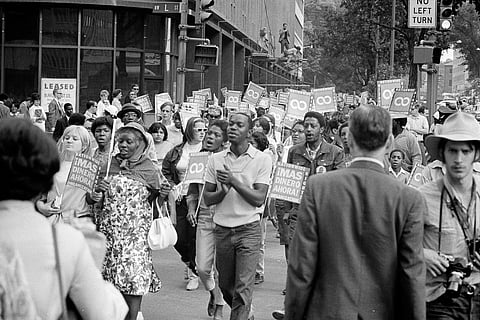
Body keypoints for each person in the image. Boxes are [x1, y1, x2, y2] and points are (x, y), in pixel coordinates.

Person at [284, 105, 426, 320]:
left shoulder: (318, 188)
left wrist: (293, 315)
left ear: (348, 140)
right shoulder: (408, 198)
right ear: (389, 142)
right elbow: (412, 274)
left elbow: (302, 265)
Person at [0, 118, 128, 320]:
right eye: (67, 138)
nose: (69, 141)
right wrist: (92, 266)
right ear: (46, 177)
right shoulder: (65, 242)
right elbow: (104, 313)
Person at [96, 122, 170, 320]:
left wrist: (163, 194)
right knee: (111, 278)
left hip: (136, 234)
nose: (123, 145)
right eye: (120, 141)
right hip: (110, 232)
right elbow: (93, 200)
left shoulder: (150, 169)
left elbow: (156, 203)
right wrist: (97, 192)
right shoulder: (108, 166)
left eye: (129, 142)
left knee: (133, 276)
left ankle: (133, 315)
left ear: (141, 144)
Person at [204, 112, 273, 320]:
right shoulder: (215, 159)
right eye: (231, 124)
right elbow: (207, 198)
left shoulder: (262, 159)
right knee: (226, 285)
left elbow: (259, 198)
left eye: (239, 125)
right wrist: (222, 192)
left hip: (249, 230)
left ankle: (241, 314)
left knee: (243, 288)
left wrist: (234, 182)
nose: (232, 128)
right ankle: (245, 314)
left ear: (249, 131)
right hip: (222, 230)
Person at [419, 112, 480, 319]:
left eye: (465, 151)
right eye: (452, 151)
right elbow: (395, 243)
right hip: (440, 298)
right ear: (442, 154)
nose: (459, 159)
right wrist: (423, 254)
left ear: (476, 154)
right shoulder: (422, 197)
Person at [186, 119, 228, 320]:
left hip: (226, 218)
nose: (210, 137)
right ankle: (213, 292)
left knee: (222, 269)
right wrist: (191, 208)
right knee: (202, 267)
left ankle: (220, 306)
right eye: (209, 133)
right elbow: (192, 189)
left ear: (225, 140)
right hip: (203, 216)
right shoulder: (199, 158)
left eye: (216, 135)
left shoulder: (228, 160)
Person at [163, 117, 207, 291]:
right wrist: (172, 186)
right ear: (190, 130)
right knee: (178, 237)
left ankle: (194, 274)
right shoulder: (176, 151)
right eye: (199, 130)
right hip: (178, 197)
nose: (202, 133)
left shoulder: (208, 151)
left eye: (205, 130)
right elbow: (166, 170)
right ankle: (191, 263)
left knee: (194, 235)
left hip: (197, 197)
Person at [36, 125, 97, 224]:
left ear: (84, 146)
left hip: (77, 219)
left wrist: (96, 196)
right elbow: (41, 194)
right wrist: (41, 207)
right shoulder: (52, 165)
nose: (69, 141)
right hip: (52, 219)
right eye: (66, 138)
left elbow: (90, 198)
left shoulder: (89, 167)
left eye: (75, 139)